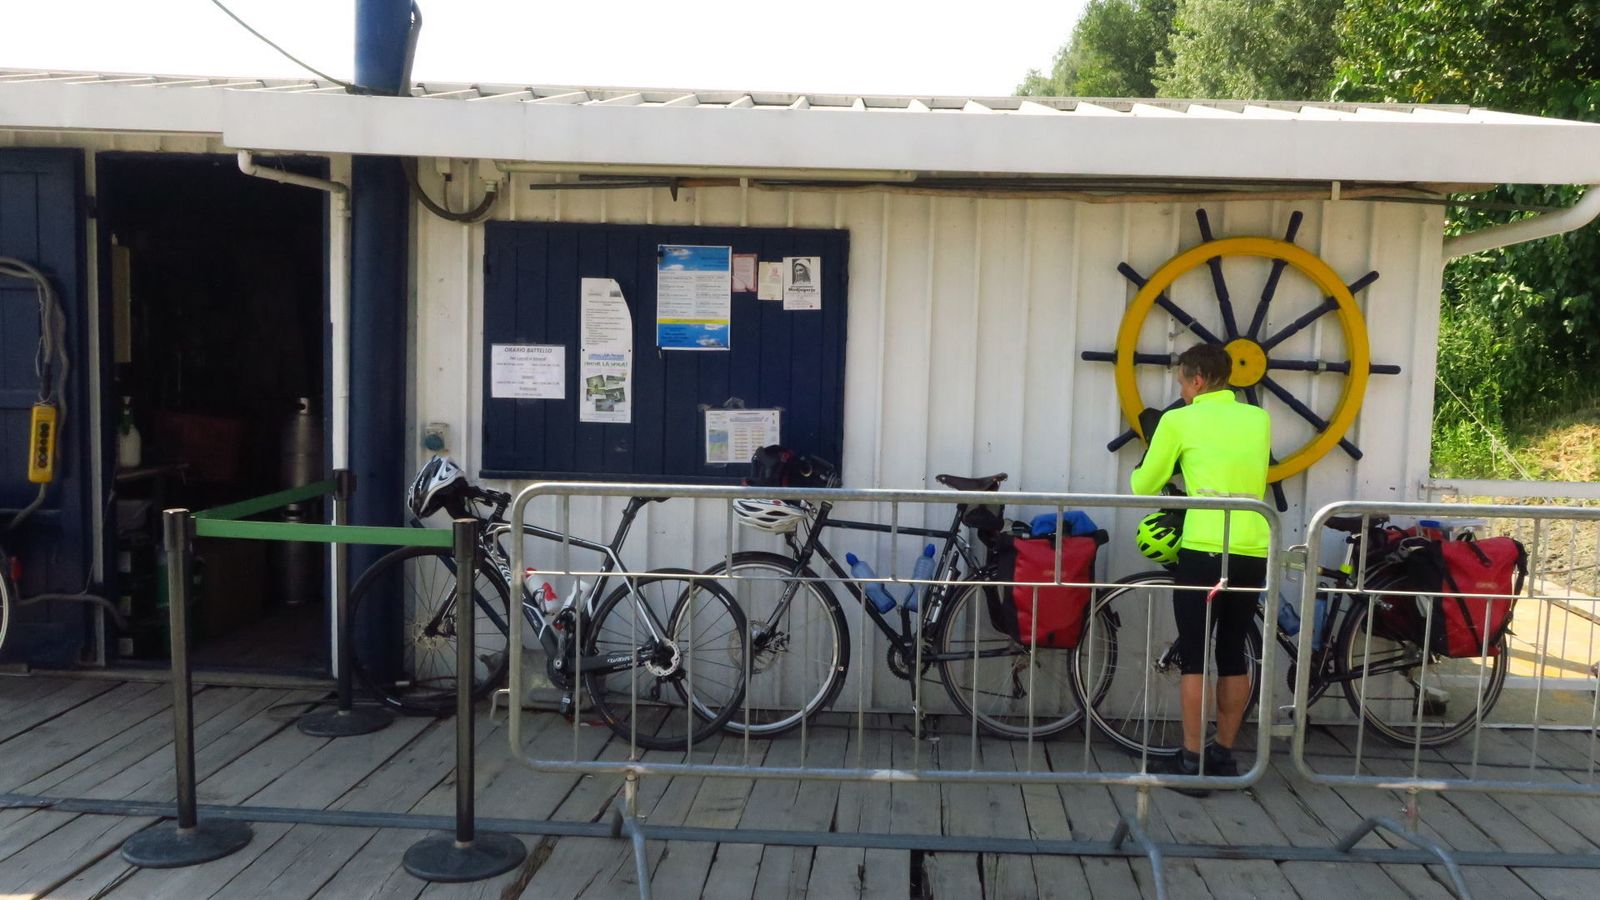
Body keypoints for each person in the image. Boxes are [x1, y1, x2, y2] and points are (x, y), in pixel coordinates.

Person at [1129, 343, 1271, 792]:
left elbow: (1143, 485)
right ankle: (1224, 756)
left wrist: (1160, 453)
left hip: (1204, 547)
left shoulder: (1179, 420)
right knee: (1232, 652)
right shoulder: (1258, 418)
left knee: (1195, 655)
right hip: (1252, 546)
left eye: (1182, 384)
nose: (1181, 393)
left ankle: (1192, 760)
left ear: (1197, 380)